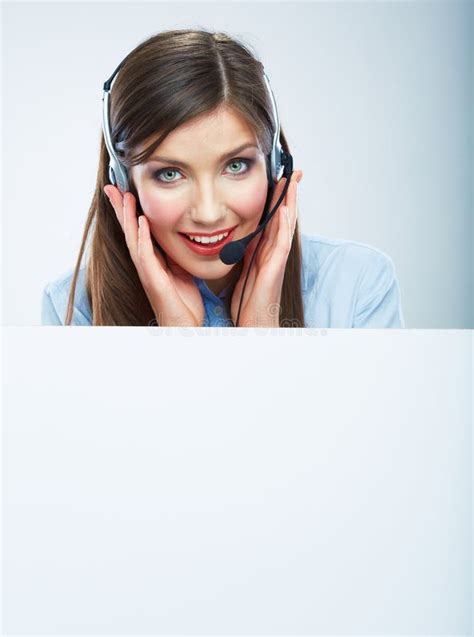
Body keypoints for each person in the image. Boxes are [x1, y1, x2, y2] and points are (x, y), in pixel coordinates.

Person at [41, 28, 405, 328]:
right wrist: (177, 341)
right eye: (170, 174)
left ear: (274, 163)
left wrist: (262, 332)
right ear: (124, 182)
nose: (209, 213)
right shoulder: (72, 310)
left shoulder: (357, 286)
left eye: (235, 166)